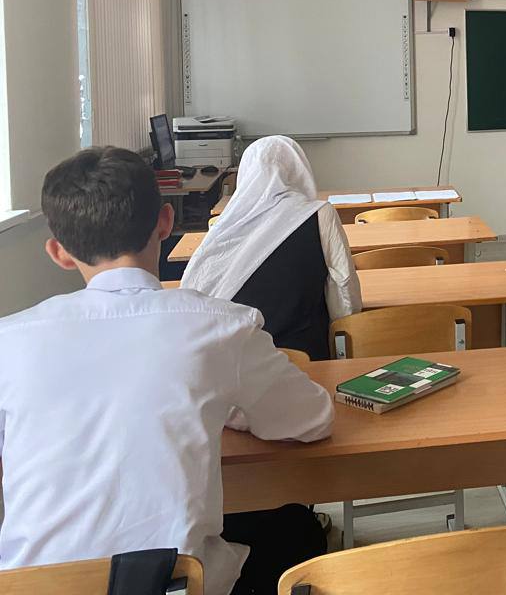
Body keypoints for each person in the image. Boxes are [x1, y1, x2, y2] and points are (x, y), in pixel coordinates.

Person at [0, 147, 333, 595]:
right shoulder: (220, 326)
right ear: (166, 222)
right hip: (168, 582)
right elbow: (312, 419)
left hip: (28, 584)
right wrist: (227, 407)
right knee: (296, 529)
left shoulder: (9, 340)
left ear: (58, 252)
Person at [182, 135, 360, 361]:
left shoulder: (224, 226)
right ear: (298, 169)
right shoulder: (320, 214)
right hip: (307, 361)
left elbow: (194, 294)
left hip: (237, 362)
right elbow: (345, 296)